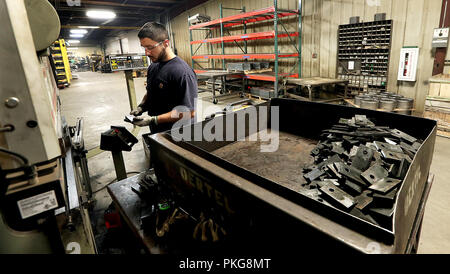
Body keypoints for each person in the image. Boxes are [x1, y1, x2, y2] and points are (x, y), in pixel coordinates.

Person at [131, 22, 197, 134]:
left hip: (179, 134)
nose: (146, 53)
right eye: (144, 48)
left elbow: (189, 112)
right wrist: (142, 106)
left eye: (150, 47)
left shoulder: (182, 72)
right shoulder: (153, 66)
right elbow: (151, 92)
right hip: (158, 131)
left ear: (166, 43)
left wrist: (154, 120)